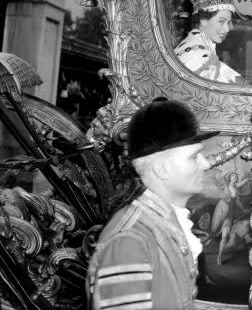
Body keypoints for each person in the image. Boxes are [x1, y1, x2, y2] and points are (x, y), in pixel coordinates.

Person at [86, 98, 216, 309]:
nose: (206, 163)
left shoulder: (162, 221)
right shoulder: (130, 241)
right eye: (194, 157)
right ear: (161, 168)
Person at [174, 0, 243, 84]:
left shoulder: (201, 44)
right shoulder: (195, 54)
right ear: (203, 19)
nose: (227, 29)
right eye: (221, 21)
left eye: (228, 22)